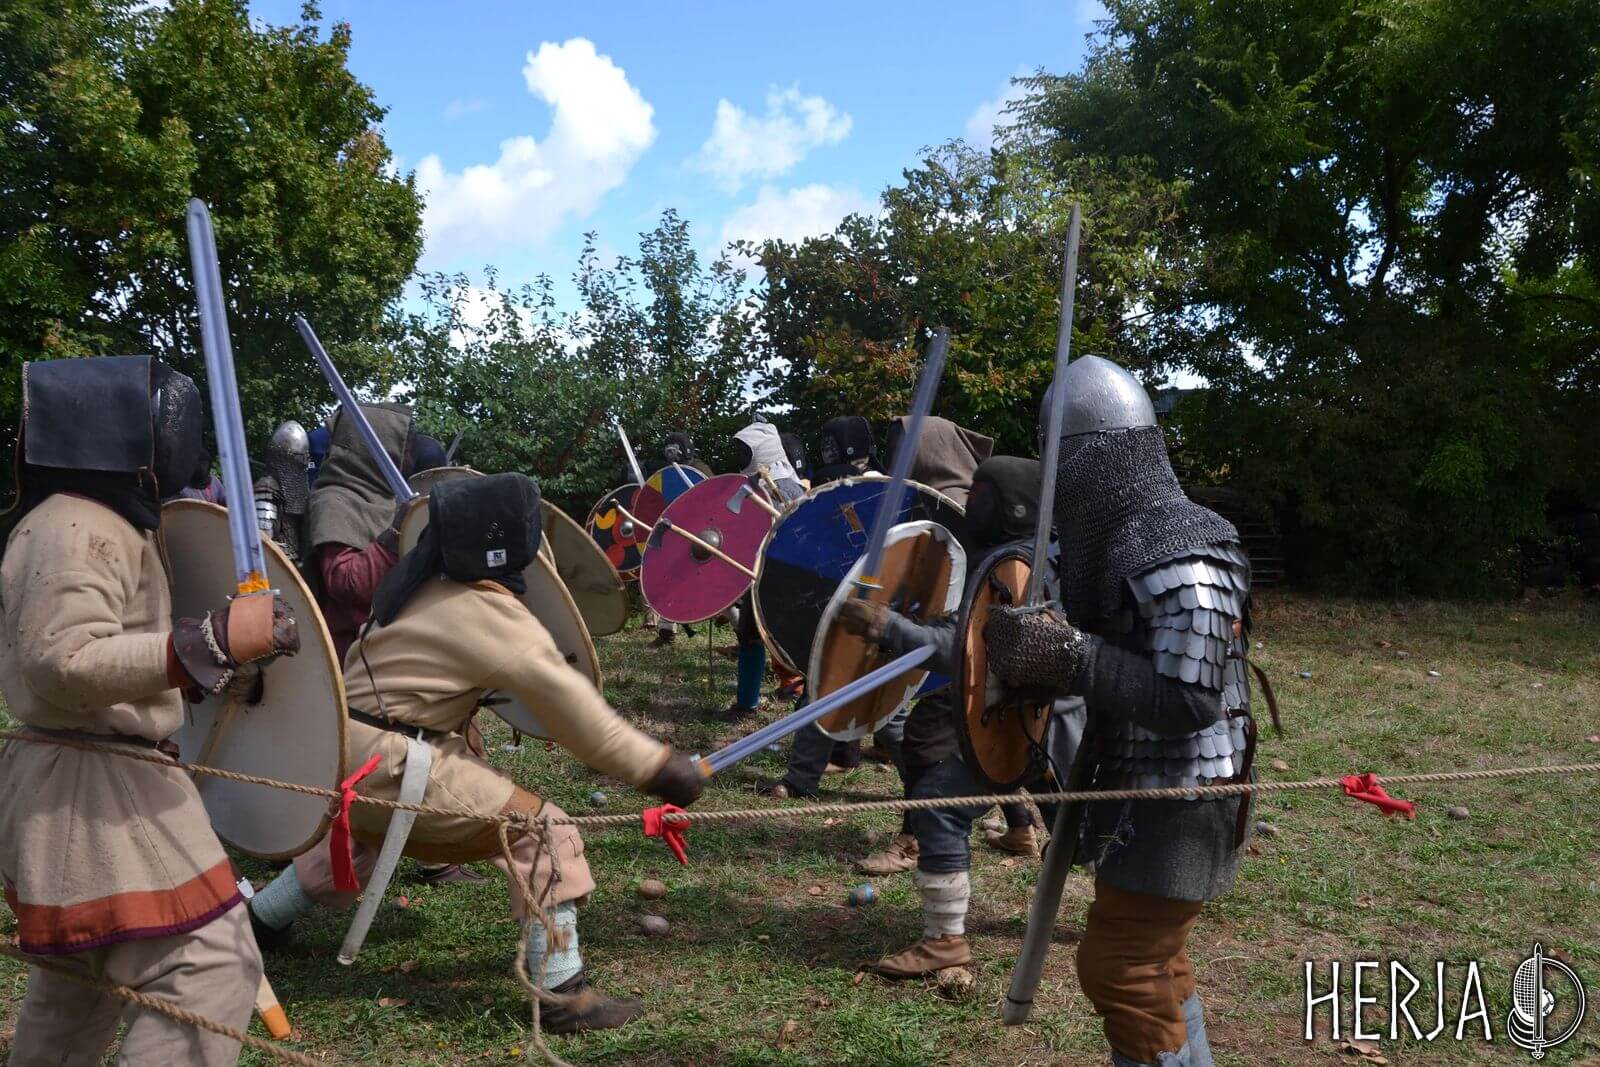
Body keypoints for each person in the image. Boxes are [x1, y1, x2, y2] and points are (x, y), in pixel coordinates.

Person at [245, 473, 703, 1033]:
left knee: (368, 833)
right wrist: (660, 768)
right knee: (543, 830)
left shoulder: (416, 586)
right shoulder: (490, 615)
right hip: (393, 763)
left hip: (341, 757)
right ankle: (562, 994)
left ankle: (261, 921)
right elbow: (583, 722)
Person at [0, 355, 301, 1066]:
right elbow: (62, 658)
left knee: (79, 988)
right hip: (90, 787)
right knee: (212, 962)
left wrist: (211, 660)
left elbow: (113, 658)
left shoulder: (96, 522)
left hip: (89, 776)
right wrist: (205, 642)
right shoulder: (75, 525)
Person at [982, 356, 1254, 1067]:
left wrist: (1071, 656)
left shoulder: (1183, 546)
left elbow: (1189, 699)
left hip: (1188, 787)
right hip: (1139, 778)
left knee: (1124, 968)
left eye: (1063, 462)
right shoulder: (1100, 545)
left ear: (1099, 458)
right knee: (1154, 964)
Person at [838, 456, 1064, 976]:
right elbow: (967, 631)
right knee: (1072, 822)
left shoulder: (1018, 568)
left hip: (1048, 724)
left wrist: (887, 627)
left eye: (979, 496)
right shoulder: (1025, 556)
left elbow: (970, 650)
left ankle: (944, 940)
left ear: (1011, 508)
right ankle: (1121, 912)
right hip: (1032, 720)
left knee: (942, 804)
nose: (967, 504)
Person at [717, 422, 805, 717]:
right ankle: (748, 702)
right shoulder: (753, 488)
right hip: (759, 574)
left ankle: (798, 695)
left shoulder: (786, 489)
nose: (740, 455)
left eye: (746, 450)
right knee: (751, 634)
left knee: (789, 637)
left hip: (785, 576)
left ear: (761, 451)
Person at [253, 419, 312, 565]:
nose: (305, 461)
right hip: (276, 567)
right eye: (301, 456)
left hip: (298, 565)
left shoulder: (301, 489)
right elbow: (263, 542)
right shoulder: (267, 488)